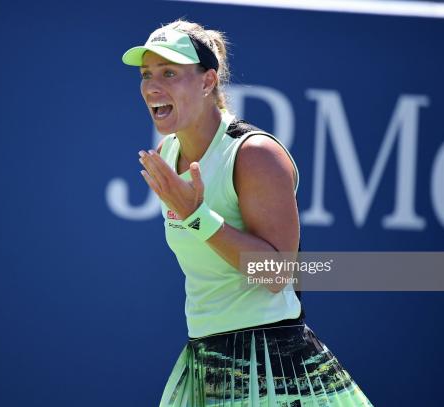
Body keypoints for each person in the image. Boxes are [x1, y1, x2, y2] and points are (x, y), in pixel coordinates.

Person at [122, 19, 374, 406]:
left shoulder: (255, 155)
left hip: (271, 363)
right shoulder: (167, 155)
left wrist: (196, 215)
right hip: (204, 359)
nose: (152, 87)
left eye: (169, 73)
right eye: (146, 74)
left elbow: (276, 275)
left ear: (208, 82)